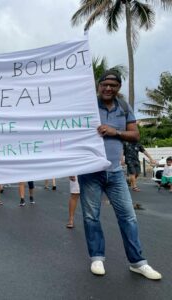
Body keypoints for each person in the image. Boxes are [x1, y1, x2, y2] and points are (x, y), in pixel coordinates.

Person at [78, 70, 161, 280]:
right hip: (89, 173)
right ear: (98, 86)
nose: (108, 88)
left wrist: (116, 132)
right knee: (91, 217)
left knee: (128, 217)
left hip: (115, 173)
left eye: (113, 85)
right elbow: (72, 135)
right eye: (104, 84)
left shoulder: (124, 107)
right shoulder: (86, 106)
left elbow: (135, 134)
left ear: (118, 88)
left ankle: (138, 262)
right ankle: (97, 257)